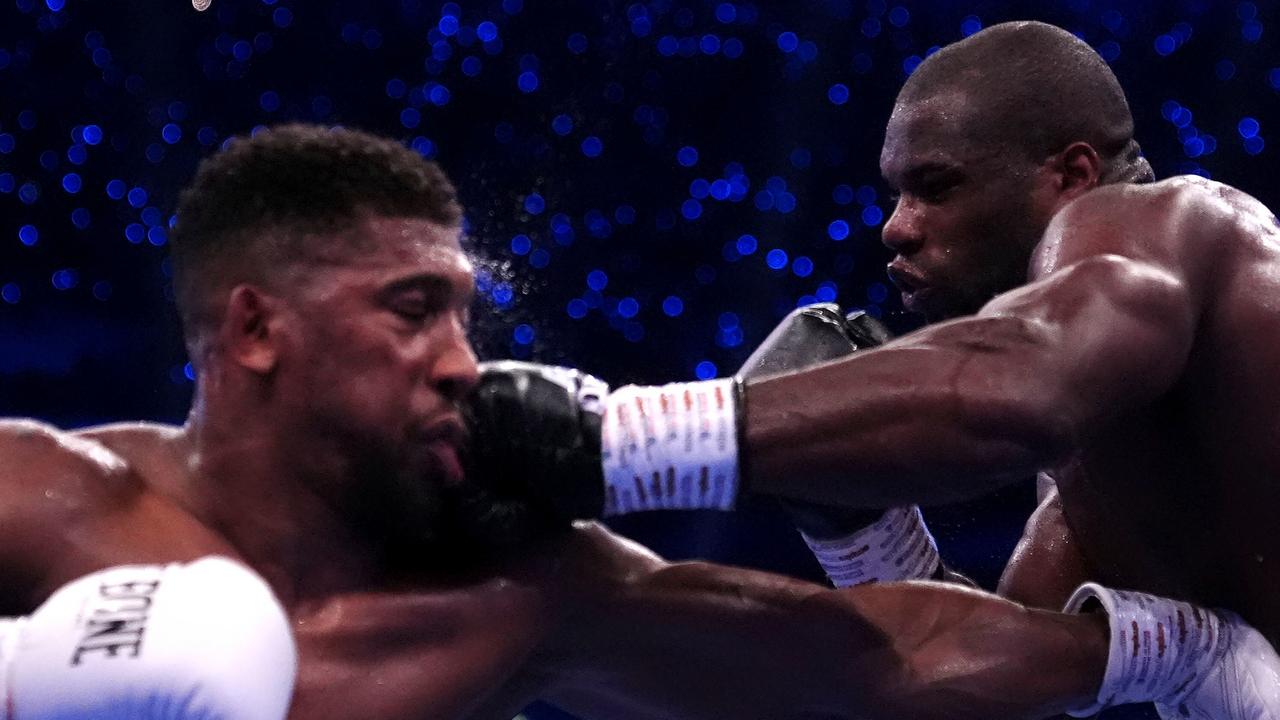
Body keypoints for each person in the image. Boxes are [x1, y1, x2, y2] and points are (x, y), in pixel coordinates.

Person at [0, 123, 1267, 720]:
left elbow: (875, 662)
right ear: (258, 332)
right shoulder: (44, 498)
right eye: (408, 313)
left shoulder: (520, 589)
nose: (459, 364)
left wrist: (1172, 652)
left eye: (460, 316)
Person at [462, 21, 1280, 716]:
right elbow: (967, 673)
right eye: (896, 196)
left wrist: (610, 443)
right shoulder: (1091, 487)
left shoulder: (1171, 221)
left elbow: (1021, 385)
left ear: (1069, 175)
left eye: (936, 188)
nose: (897, 229)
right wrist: (865, 532)